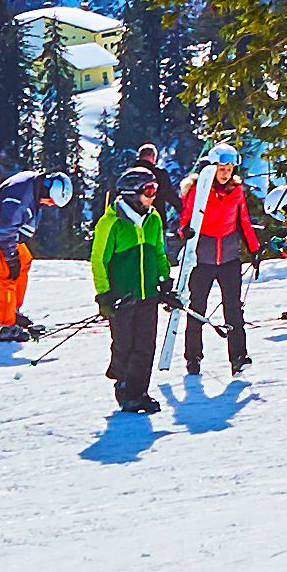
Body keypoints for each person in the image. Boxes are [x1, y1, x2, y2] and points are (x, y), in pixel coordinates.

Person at [90, 168, 172, 418]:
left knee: (146, 345)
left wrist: (164, 279)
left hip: (148, 295)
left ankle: (137, 393)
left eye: (155, 190)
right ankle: (123, 384)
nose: (153, 196)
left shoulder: (153, 219)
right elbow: (99, 260)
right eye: (149, 190)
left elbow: (158, 251)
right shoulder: (111, 223)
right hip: (122, 297)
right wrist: (104, 295)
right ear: (131, 193)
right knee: (124, 344)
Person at [176, 143, 262, 382]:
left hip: (229, 257)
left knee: (233, 309)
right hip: (202, 258)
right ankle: (193, 356)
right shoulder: (199, 189)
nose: (225, 173)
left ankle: (239, 357)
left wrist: (254, 249)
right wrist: (185, 231)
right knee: (197, 307)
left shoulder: (237, 191)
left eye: (229, 169)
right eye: (221, 168)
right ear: (212, 167)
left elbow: (243, 221)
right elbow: (186, 218)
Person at [0, 163, 63, 336]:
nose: (50, 205)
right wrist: (11, 258)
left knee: (24, 261)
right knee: (8, 275)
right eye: (51, 202)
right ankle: (1, 325)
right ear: (48, 193)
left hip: (4, 231)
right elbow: (3, 231)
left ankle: (12, 311)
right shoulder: (21, 201)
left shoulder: (34, 183)